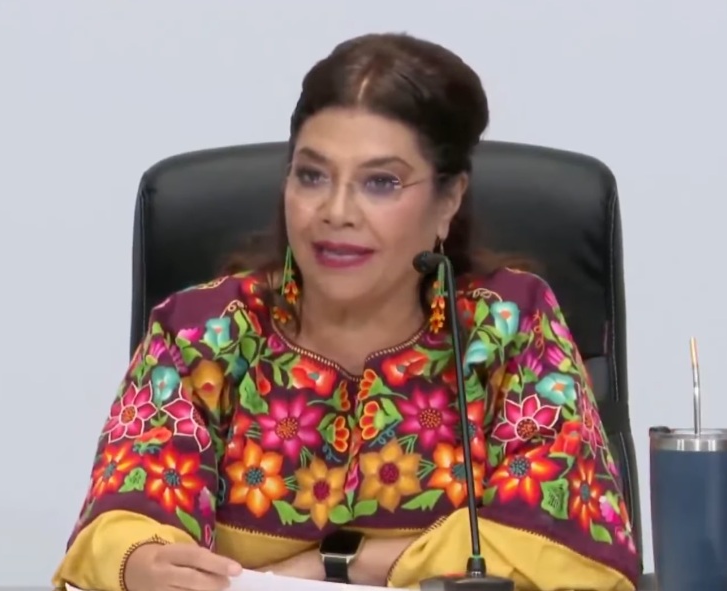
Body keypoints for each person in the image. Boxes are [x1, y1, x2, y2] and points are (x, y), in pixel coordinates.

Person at [53, 33, 639, 591]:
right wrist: (141, 564)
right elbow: (116, 525)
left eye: (380, 183)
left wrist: (340, 563)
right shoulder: (205, 333)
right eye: (312, 176)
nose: (336, 211)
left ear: (449, 200)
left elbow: (577, 553)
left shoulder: (506, 327)